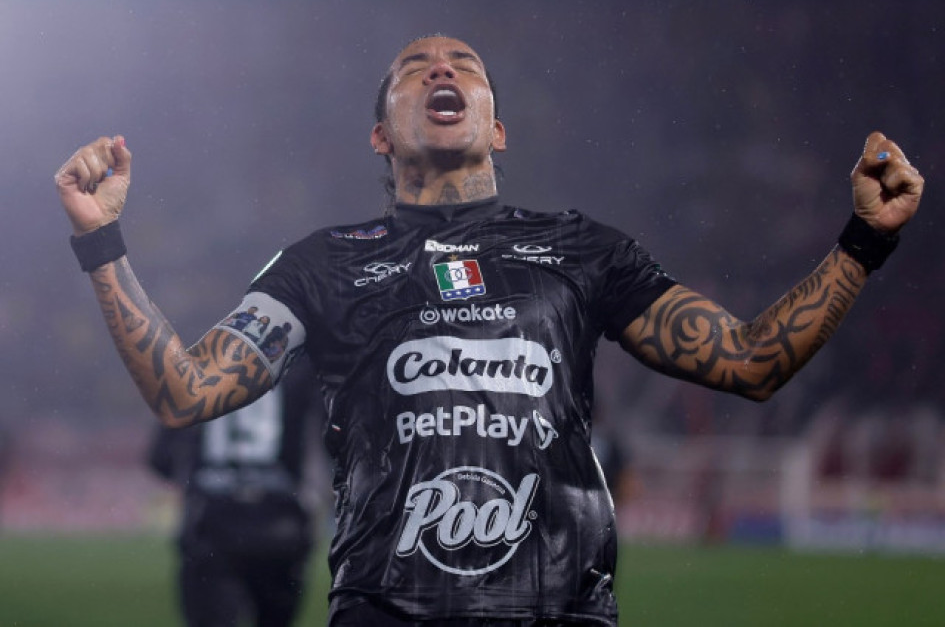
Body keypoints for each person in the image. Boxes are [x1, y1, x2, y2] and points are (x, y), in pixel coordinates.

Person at [54, 35, 924, 626]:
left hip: (560, 610)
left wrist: (862, 243)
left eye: (463, 63)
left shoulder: (584, 250)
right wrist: (102, 241)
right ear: (379, 135)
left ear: (496, 126)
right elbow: (185, 389)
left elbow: (750, 359)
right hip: (383, 608)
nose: (442, 69)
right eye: (414, 66)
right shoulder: (320, 264)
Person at [147, 357, 319, 627]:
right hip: (280, 524)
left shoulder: (194, 377)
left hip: (213, 524)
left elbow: (160, 459)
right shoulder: (298, 372)